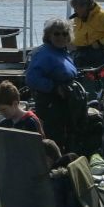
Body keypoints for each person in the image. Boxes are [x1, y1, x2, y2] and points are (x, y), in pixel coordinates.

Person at [25, 18, 80, 153]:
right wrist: (54, 88)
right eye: (56, 34)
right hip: (50, 104)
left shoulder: (64, 53)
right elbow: (32, 78)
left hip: (67, 103)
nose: (61, 37)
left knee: (68, 137)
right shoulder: (43, 53)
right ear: (48, 35)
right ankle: (53, 167)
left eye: (65, 33)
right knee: (54, 139)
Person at [69, 0, 104, 68]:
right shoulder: (77, 17)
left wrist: (101, 42)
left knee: (99, 78)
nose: (75, 11)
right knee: (80, 78)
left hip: (98, 53)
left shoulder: (103, 16)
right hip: (79, 53)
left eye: (76, 8)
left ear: (85, 6)